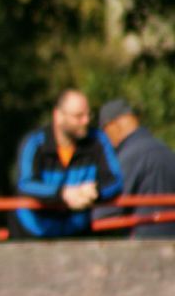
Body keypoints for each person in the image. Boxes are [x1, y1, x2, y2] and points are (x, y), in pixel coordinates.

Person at [10, 89, 123, 238]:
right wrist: (63, 194)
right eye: (78, 116)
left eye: (88, 115)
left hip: (78, 231)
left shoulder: (98, 140)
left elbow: (115, 180)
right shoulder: (34, 143)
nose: (86, 121)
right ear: (58, 116)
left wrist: (94, 192)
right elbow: (25, 184)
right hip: (33, 231)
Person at [92, 98, 175, 238]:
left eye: (104, 131)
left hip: (143, 245)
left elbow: (104, 213)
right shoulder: (166, 150)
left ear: (114, 125)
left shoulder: (128, 156)